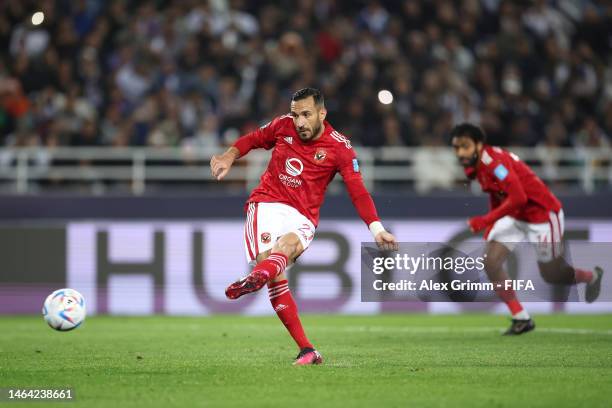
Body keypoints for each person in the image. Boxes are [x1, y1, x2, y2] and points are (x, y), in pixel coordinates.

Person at [210, 88, 398, 364]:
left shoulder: (340, 148)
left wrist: (377, 229)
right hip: (267, 203)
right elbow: (252, 139)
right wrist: (228, 156)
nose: (299, 122)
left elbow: (358, 191)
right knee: (275, 267)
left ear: (322, 113)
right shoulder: (282, 126)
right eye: (296, 114)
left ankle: (259, 277)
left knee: (282, 251)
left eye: (306, 115)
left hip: (303, 216)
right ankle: (306, 348)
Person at [450, 123, 604, 335]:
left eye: (464, 146)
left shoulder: (494, 163)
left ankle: (590, 276)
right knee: (491, 262)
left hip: (542, 214)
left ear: (478, 144)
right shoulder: (473, 166)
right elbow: (496, 194)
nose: (460, 152)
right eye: (456, 148)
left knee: (552, 274)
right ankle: (520, 317)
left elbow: (519, 197)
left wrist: (486, 220)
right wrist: (492, 224)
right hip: (515, 214)